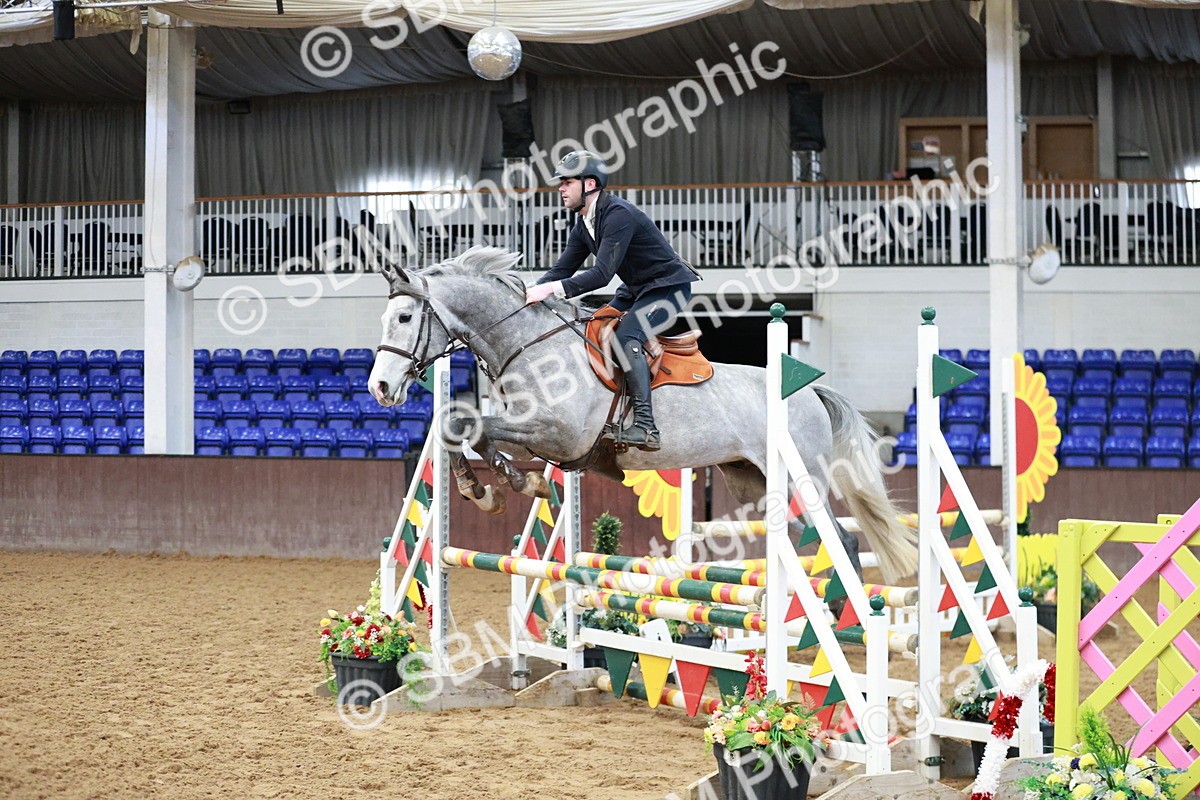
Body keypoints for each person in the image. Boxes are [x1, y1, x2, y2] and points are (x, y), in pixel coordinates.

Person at [525, 150, 699, 451]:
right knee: (595, 326)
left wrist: (550, 290)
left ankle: (646, 426)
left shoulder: (618, 215)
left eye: (567, 182)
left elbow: (602, 274)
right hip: (636, 289)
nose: (560, 189)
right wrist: (528, 291)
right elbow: (562, 270)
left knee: (626, 337)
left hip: (668, 288)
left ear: (589, 183)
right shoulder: (583, 225)